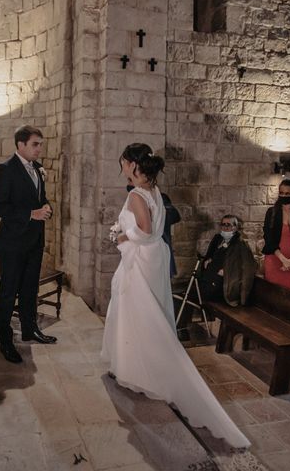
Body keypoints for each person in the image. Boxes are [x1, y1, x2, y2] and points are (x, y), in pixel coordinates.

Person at [101, 143, 250, 449]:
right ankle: (135, 365)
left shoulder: (136, 194)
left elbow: (143, 230)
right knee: (145, 313)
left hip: (142, 259)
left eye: (123, 162)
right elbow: (154, 230)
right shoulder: (154, 190)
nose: (122, 167)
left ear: (131, 164)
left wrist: (120, 235)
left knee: (141, 314)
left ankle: (151, 369)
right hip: (153, 257)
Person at [0, 125, 56, 364]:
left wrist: (46, 207)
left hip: (34, 240)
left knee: (30, 288)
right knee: (9, 292)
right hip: (13, 242)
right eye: (35, 144)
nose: (40, 149)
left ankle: (30, 329)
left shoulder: (37, 169)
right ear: (21, 145)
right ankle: (6, 340)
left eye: (40, 144)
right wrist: (31, 214)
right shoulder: (5, 170)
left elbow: (39, 198)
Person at [176, 215, 257, 340]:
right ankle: (180, 328)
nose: (225, 227)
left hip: (223, 285)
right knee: (183, 293)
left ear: (236, 227)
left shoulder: (240, 244)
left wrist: (228, 271)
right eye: (223, 224)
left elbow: (249, 267)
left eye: (229, 225)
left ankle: (181, 329)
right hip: (208, 279)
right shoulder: (217, 239)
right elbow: (208, 255)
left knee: (188, 295)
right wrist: (207, 260)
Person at [127, 180, 181, 277]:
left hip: (158, 248)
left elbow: (175, 215)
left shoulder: (160, 198)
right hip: (139, 252)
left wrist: (154, 216)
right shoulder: (132, 200)